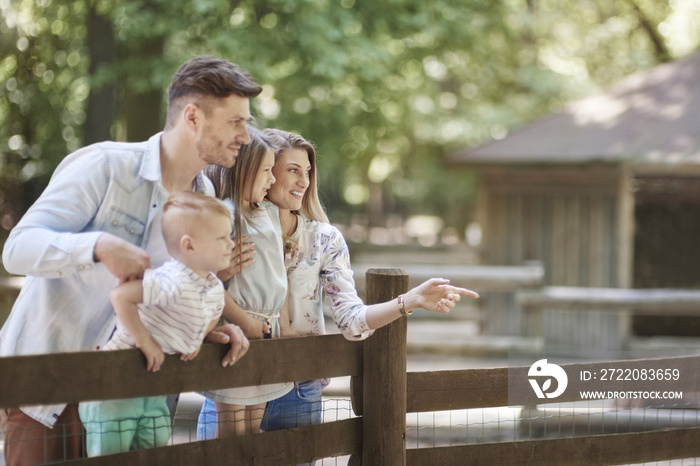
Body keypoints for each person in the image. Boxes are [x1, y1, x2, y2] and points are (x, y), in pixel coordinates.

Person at [0, 56, 254, 466]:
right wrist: (99, 245)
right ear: (193, 117)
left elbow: (172, 289)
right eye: (235, 122)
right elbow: (18, 249)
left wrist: (203, 326)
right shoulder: (106, 165)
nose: (245, 135)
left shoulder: (206, 198)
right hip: (50, 390)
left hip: (137, 395)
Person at [196, 129, 480, 443]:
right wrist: (219, 274)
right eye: (292, 170)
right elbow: (195, 283)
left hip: (298, 386)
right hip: (232, 368)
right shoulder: (228, 223)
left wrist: (409, 301)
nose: (304, 181)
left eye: (307, 172)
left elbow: (350, 319)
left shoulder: (323, 239)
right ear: (263, 170)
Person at [79, 191, 232, 456]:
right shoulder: (170, 280)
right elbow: (120, 296)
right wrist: (145, 342)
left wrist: (195, 340)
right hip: (116, 383)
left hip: (154, 388)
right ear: (189, 246)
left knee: (154, 448)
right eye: (222, 238)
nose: (231, 244)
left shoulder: (213, 288)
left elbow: (208, 315)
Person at [198, 126, 294, 438]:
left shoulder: (265, 211)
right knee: (232, 433)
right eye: (266, 171)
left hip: (267, 331)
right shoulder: (225, 215)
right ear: (243, 170)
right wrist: (246, 323)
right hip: (239, 330)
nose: (272, 179)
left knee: (253, 429)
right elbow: (210, 282)